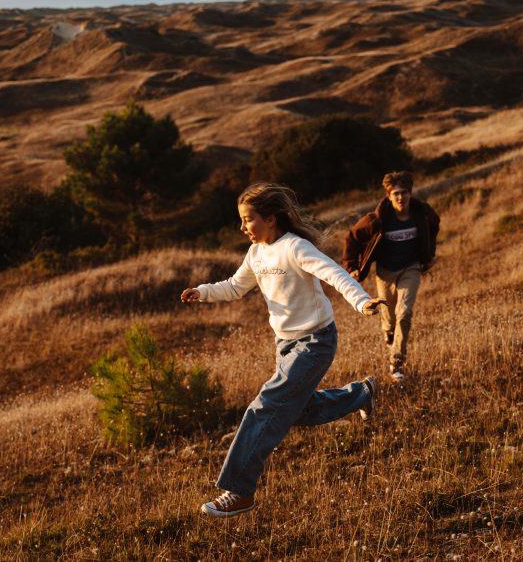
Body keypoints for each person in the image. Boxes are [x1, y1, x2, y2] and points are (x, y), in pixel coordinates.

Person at [180, 182, 384, 519]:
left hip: (315, 342)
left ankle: (240, 491)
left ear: (271, 218)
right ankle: (361, 394)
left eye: (248, 219)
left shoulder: (295, 248)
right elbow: (234, 287)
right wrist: (203, 292)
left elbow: (334, 274)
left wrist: (361, 302)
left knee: (267, 406)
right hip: (285, 345)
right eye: (242, 220)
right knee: (298, 411)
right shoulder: (256, 253)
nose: (242, 227)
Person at [343, 171, 440, 384]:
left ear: (410, 193)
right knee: (389, 320)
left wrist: (429, 255)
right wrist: (352, 267)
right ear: (388, 196)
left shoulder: (421, 213)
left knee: (404, 313)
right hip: (385, 272)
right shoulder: (377, 220)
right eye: (395, 193)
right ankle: (388, 333)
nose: (400, 198)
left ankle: (397, 363)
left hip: (411, 269)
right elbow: (352, 237)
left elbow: (434, 226)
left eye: (404, 192)